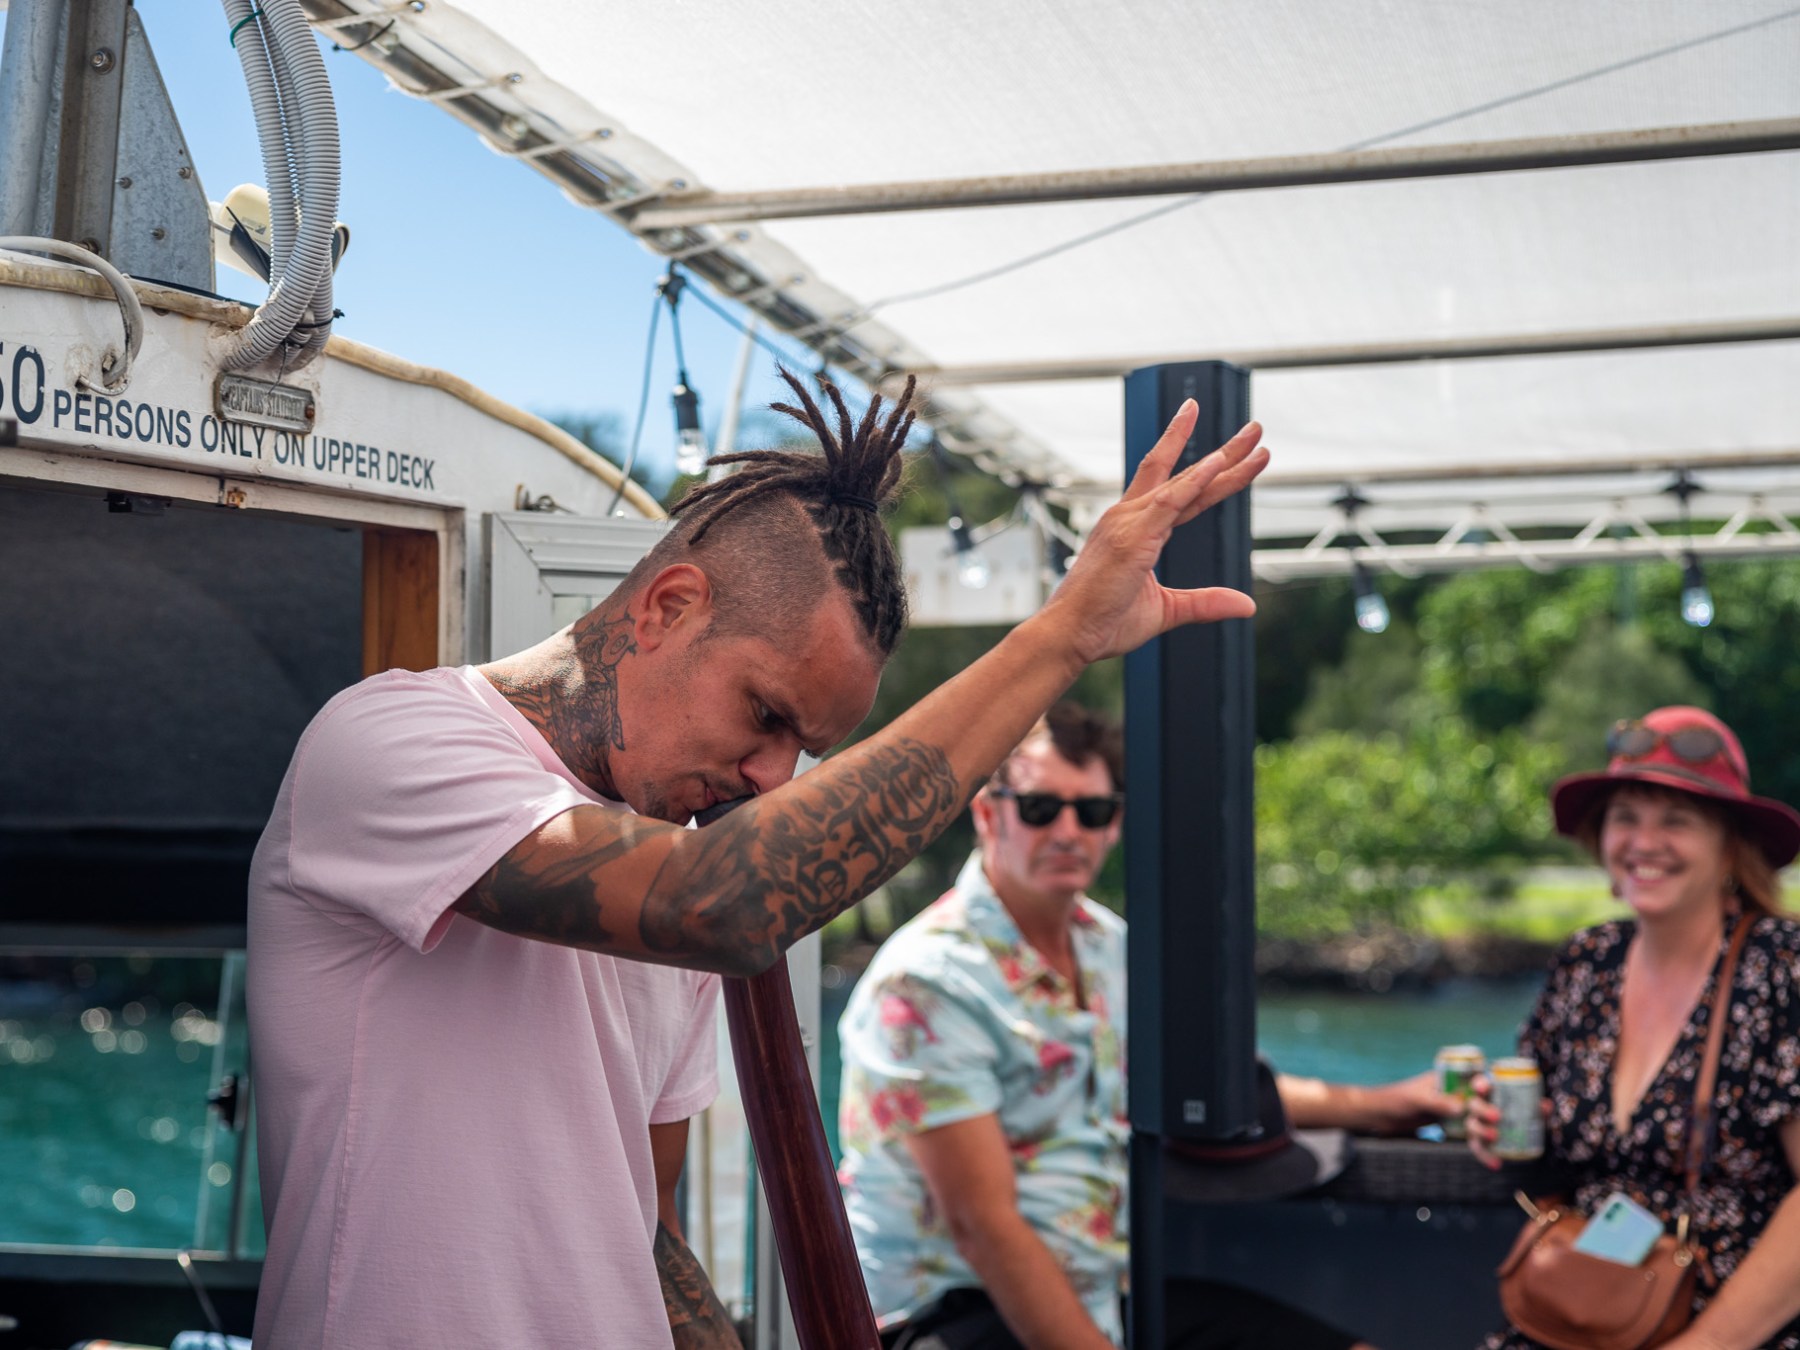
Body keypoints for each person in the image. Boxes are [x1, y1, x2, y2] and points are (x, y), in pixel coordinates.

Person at [245, 369, 1270, 1349]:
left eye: (803, 749)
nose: (772, 776)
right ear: (669, 606)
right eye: (767, 715)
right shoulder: (390, 742)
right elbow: (721, 904)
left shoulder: (679, 862)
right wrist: (1062, 638)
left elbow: (645, 1231)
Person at [837, 701, 1457, 1350]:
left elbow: (1205, 1086)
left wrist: (1390, 1104)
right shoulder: (928, 981)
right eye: (1041, 809)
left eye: (1093, 811)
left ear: (1115, 825)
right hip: (946, 1316)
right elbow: (982, 1228)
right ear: (988, 814)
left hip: (1099, 1296)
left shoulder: (1112, 950)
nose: (1070, 831)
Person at [1467, 706, 1800, 1350]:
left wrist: (1705, 1345)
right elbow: (1545, 1159)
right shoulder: (1586, 961)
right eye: (1626, 818)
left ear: (1730, 845)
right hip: (1582, 1310)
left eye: (1676, 821)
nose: (1644, 843)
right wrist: (1499, 1130)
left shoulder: (1781, 967)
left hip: (1730, 1327)